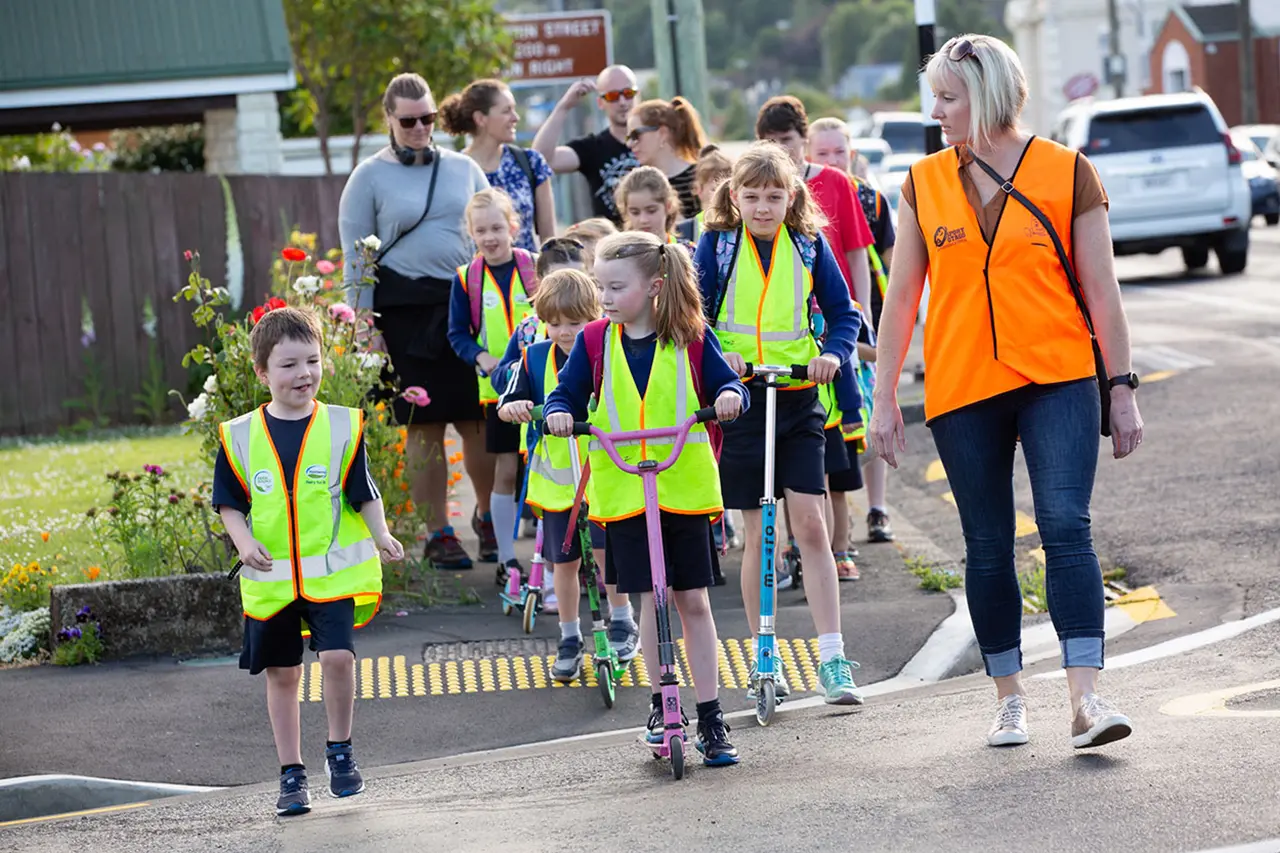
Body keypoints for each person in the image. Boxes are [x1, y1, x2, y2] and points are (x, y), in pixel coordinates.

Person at [868, 34, 1145, 750]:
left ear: (988, 96)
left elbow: (1103, 292)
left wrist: (1121, 386)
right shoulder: (923, 181)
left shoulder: (1065, 170)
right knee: (987, 545)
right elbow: (900, 301)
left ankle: (1086, 699)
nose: (937, 112)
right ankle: (1008, 696)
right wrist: (883, 396)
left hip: (1057, 379)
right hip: (962, 387)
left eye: (950, 97)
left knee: (1065, 526)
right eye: (935, 97)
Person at [544, 231, 748, 767]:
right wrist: (559, 411)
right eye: (600, 287)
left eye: (616, 287)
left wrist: (728, 396)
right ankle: (663, 703)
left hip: (682, 488)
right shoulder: (593, 342)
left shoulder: (690, 336)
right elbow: (565, 392)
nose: (605, 298)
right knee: (649, 600)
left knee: (692, 602)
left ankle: (709, 714)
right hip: (626, 489)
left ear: (655, 286)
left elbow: (730, 385)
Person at [213, 306, 404, 816]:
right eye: (289, 365)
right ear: (262, 373)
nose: (304, 374)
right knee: (283, 675)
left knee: (339, 659)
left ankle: (340, 751)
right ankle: (291, 774)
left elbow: (364, 492)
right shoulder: (239, 436)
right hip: (271, 582)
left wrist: (382, 532)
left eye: (312, 362)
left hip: (333, 576)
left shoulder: (342, 426)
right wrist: (241, 542)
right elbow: (228, 502)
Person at [696, 142, 866, 705]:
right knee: (761, 537)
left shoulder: (811, 246)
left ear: (791, 197)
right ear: (734, 198)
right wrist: (724, 362)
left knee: (811, 525)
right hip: (741, 404)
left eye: (774, 196)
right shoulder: (716, 246)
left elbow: (845, 316)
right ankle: (764, 654)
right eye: (752, 196)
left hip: (797, 399)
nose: (763, 207)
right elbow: (693, 319)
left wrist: (834, 356)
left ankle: (833, 657)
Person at [339, 71, 488, 571]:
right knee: (422, 427)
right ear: (389, 120)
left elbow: (493, 227)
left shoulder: (464, 168)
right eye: (409, 121)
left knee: (479, 419)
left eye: (428, 118)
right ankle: (438, 533)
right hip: (402, 315)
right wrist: (366, 328)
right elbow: (356, 260)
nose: (422, 128)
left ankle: (488, 518)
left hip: (466, 306)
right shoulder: (368, 177)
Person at [496, 269, 641, 677]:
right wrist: (513, 408)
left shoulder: (609, 348)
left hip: (604, 475)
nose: (564, 331)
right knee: (563, 561)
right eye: (555, 322)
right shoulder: (535, 357)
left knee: (605, 551)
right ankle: (569, 634)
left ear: (594, 315)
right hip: (558, 484)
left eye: (575, 322)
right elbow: (510, 397)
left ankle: (622, 619)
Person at [808, 116, 898, 544]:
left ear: (853, 153)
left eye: (839, 151)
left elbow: (888, 257)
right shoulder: (805, 194)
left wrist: (886, 318)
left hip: (869, 314)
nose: (832, 159)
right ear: (809, 155)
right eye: (822, 153)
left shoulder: (873, 200)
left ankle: (878, 507)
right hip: (829, 316)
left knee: (875, 404)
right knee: (847, 410)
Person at [447, 188, 537, 581]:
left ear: (513, 227)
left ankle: (549, 562)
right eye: (481, 230)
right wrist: (481, 357)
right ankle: (506, 557)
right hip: (499, 393)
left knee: (544, 471)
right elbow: (457, 334)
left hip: (541, 385)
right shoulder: (466, 279)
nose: (490, 237)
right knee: (504, 471)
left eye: (497, 227)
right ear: (471, 234)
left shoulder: (534, 269)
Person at [754, 96, 874, 314]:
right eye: (770, 141)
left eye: (786, 139)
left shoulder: (836, 181)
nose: (779, 148)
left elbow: (856, 252)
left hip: (835, 305)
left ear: (804, 139)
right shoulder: (753, 188)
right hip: (778, 310)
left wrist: (864, 311)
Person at [439, 78, 556, 253]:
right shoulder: (454, 170)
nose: (515, 118)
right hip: (476, 278)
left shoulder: (531, 163)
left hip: (527, 277)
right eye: (506, 111)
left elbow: (549, 240)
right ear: (480, 118)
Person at [532, 65, 640, 226]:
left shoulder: (659, 138)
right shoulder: (593, 148)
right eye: (612, 96)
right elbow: (540, 160)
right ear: (600, 103)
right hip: (611, 246)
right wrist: (564, 107)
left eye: (628, 93)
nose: (623, 102)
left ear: (638, 95)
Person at [626, 98, 707, 221]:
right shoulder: (634, 182)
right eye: (628, 137)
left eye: (636, 135)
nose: (630, 144)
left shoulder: (701, 177)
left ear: (662, 133)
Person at [614, 166, 692, 250]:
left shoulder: (690, 252)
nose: (643, 220)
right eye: (635, 212)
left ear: (668, 206)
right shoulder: (619, 257)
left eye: (651, 211)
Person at [692, 144, 734, 241]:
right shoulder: (688, 229)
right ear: (698, 189)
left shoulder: (743, 226)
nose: (722, 194)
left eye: (727, 189)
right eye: (714, 189)